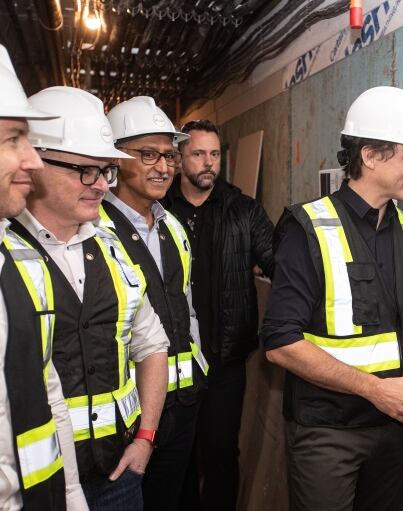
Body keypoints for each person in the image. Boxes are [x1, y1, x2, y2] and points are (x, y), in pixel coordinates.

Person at [262, 86, 403, 511]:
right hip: (328, 433)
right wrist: (375, 390)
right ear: (371, 156)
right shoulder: (308, 228)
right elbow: (280, 344)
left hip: (397, 428)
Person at [11, 86, 170, 511]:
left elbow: (152, 345)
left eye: (106, 171)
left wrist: (146, 437)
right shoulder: (9, 254)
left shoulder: (112, 249)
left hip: (117, 474)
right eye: (87, 171)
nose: (102, 184)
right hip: (36, 484)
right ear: (36, 163)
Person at [163, 119, 275, 509]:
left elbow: (278, 262)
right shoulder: (159, 210)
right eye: (198, 154)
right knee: (176, 457)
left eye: (214, 154)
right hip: (171, 362)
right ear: (179, 159)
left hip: (225, 360)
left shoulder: (243, 210)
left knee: (222, 454)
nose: (208, 163)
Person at [103, 96, 208, 510]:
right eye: (148, 154)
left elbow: (187, 308)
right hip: (131, 416)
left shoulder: (173, 227)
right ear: (113, 159)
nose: (163, 167)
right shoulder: (95, 230)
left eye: (168, 155)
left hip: (183, 403)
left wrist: (199, 373)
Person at [0, 45, 88, 510]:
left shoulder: (13, 265)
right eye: (14, 138)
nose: (32, 160)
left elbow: (46, 393)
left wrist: (72, 499)